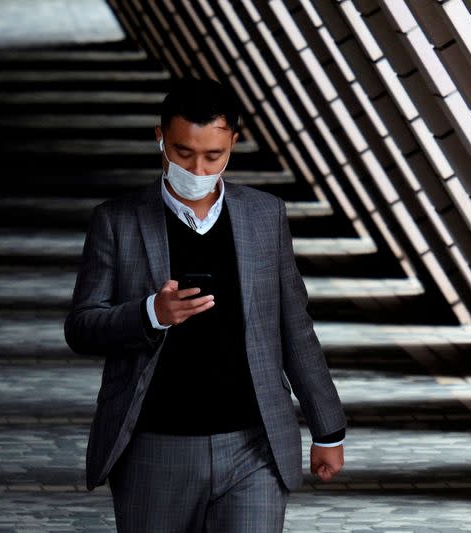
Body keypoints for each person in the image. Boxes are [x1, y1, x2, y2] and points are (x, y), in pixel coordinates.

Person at [64, 77, 346, 532]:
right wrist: (150, 313)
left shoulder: (264, 215)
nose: (197, 168)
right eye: (182, 153)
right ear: (160, 139)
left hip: (254, 446)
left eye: (213, 155)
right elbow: (81, 326)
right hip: (154, 449)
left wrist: (327, 428)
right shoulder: (116, 221)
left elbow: (294, 326)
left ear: (234, 142)